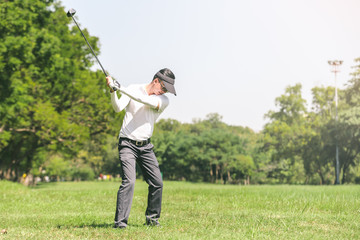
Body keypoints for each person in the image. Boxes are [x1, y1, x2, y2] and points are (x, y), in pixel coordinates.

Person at [106, 68, 176, 229]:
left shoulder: (163, 100)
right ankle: (120, 223)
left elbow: (145, 101)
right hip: (127, 144)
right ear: (156, 81)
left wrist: (120, 87)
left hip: (146, 146)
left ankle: (152, 219)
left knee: (157, 183)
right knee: (129, 181)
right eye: (164, 88)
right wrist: (112, 91)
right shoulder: (132, 88)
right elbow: (117, 108)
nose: (164, 92)